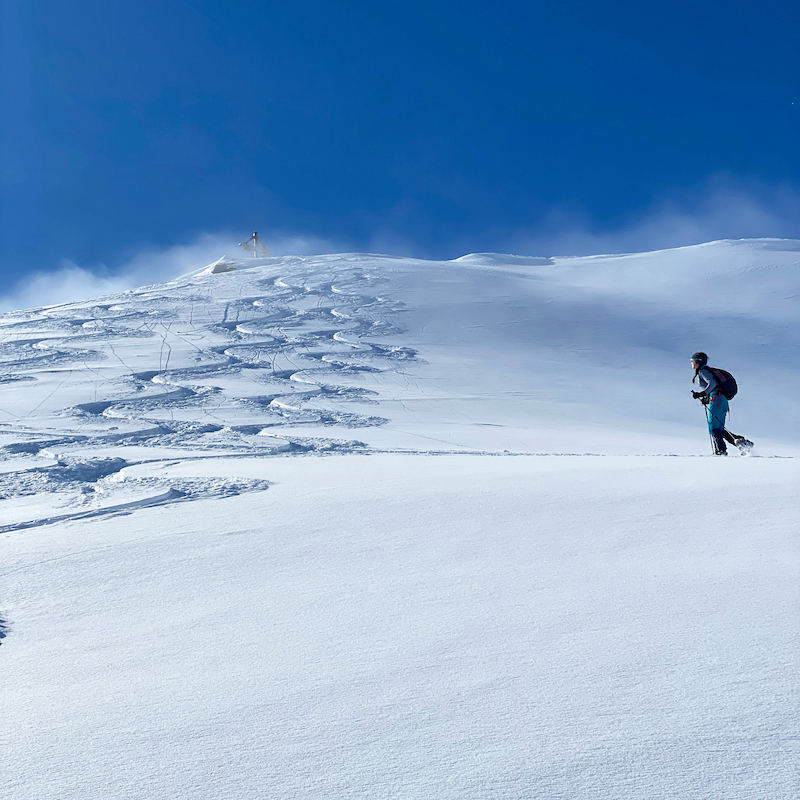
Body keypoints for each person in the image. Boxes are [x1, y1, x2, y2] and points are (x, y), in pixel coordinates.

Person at [690, 352, 752, 455]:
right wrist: (705, 397)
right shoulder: (707, 370)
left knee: (714, 427)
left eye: (692, 361)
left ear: (698, 362)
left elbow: (712, 384)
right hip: (722, 400)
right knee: (719, 428)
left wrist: (702, 393)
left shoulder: (702, 371)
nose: (692, 364)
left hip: (716, 399)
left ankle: (720, 451)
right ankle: (741, 443)